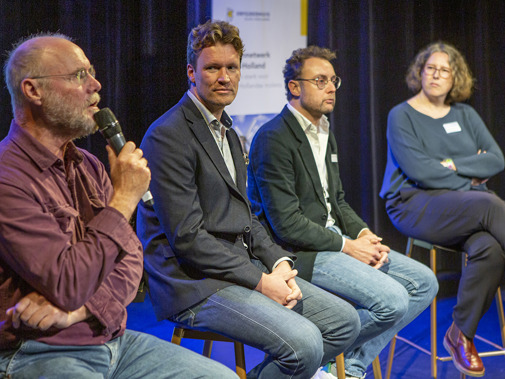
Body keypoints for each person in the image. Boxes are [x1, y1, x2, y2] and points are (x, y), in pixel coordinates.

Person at [0, 33, 238, 379]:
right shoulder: (8, 178)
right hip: (39, 348)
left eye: (92, 72)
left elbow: (131, 263)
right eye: (78, 75)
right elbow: (68, 283)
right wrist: (123, 198)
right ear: (33, 91)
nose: (95, 85)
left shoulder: (89, 165)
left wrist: (79, 311)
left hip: (108, 336)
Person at [136, 21, 360, 379]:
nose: (224, 77)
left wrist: (279, 263)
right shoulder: (168, 135)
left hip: (238, 267)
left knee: (345, 323)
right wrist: (260, 280)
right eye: (212, 68)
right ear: (191, 73)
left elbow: (246, 216)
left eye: (232, 68)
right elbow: (188, 239)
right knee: (305, 345)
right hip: (192, 283)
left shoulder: (230, 132)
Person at [247, 46, 438, 379]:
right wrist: (349, 246)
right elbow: (286, 224)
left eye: (333, 79)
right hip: (300, 252)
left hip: (335, 241)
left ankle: (346, 366)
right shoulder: (273, 138)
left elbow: (337, 199)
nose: (331, 87)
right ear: (295, 87)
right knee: (392, 301)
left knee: (424, 283)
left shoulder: (325, 131)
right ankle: (325, 359)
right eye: (320, 80)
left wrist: (364, 234)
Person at [380, 41, 505, 377]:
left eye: (444, 70)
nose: (436, 75)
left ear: (455, 78)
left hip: (460, 205)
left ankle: (460, 335)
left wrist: (448, 164)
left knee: (491, 248)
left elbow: (496, 159)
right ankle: (460, 335)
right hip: (412, 203)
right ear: (420, 72)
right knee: (489, 203)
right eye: (430, 68)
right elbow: (419, 172)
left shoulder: (466, 115)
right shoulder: (401, 115)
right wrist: (468, 172)